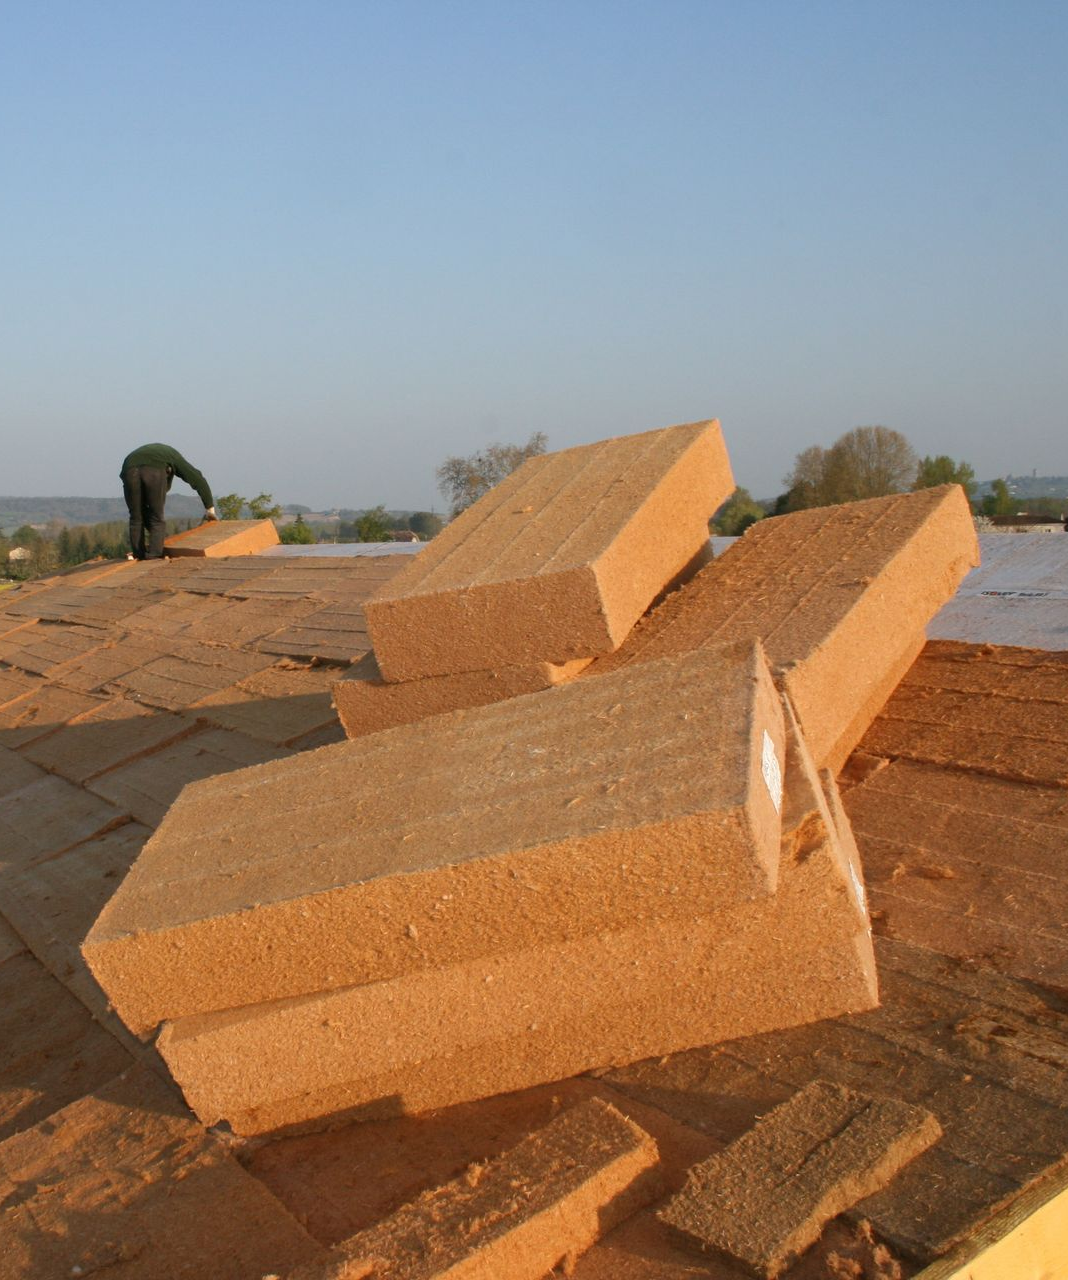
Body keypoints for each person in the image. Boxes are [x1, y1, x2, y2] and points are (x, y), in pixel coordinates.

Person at [120, 443, 217, 560]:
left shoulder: (159, 454)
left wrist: (156, 534)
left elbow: (143, 513)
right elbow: (196, 478)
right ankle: (154, 555)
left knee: (136, 517)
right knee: (157, 517)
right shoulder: (173, 456)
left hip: (129, 469)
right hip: (152, 469)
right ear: (168, 470)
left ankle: (138, 555)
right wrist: (209, 508)